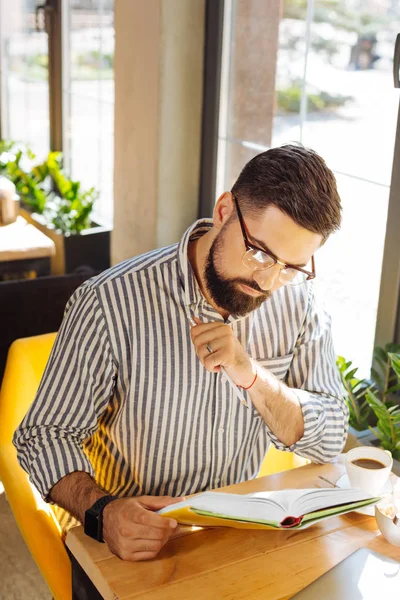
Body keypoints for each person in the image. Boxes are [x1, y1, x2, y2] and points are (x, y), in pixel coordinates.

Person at [14, 144, 348, 562]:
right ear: (225, 210)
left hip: (235, 537)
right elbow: (43, 434)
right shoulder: (109, 302)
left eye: (291, 267)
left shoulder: (298, 304)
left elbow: (332, 436)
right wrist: (104, 512)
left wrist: (253, 377)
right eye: (259, 252)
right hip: (132, 548)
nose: (268, 280)